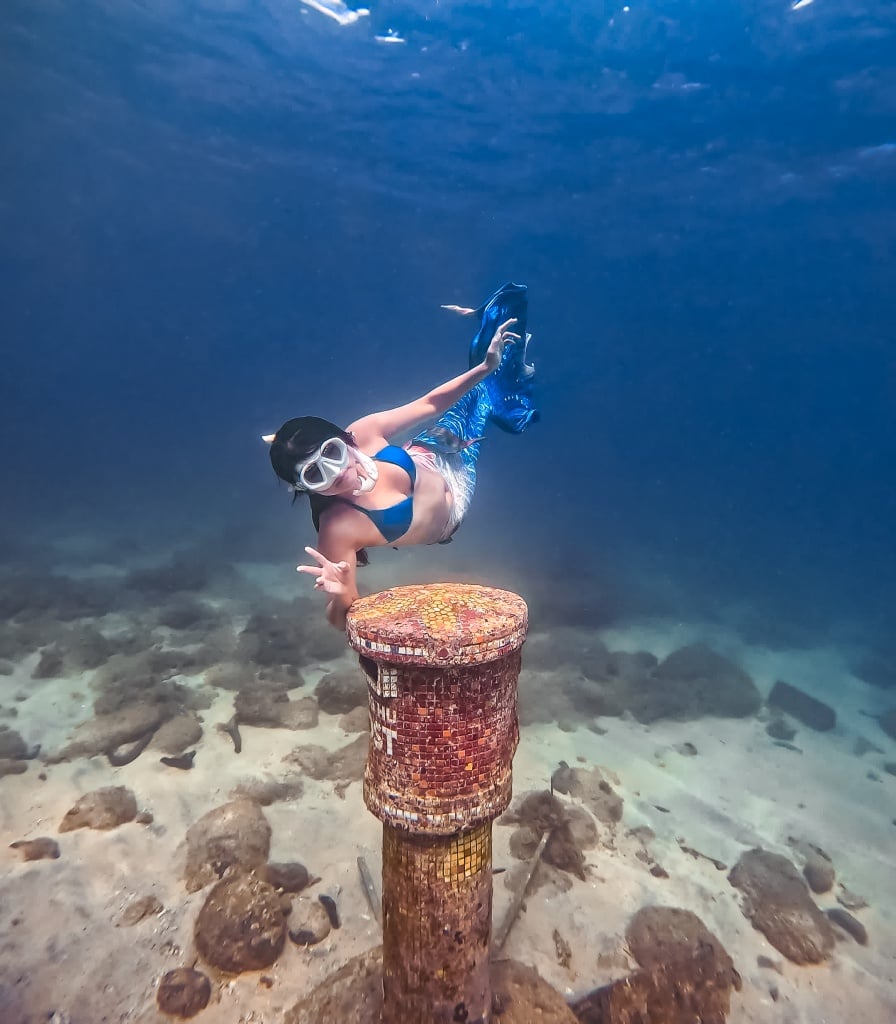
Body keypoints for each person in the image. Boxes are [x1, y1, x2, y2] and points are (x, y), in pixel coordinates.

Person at [265, 282, 538, 629]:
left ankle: (498, 336)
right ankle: (513, 395)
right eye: (315, 475)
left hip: (433, 451)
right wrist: (339, 594)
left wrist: (484, 367)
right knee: (486, 403)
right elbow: (342, 617)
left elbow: (429, 403)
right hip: (457, 499)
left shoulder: (363, 432)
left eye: (332, 453)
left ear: (346, 439)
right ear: (306, 489)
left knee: (478, 389)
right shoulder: (338, 528)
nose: (335, 474)